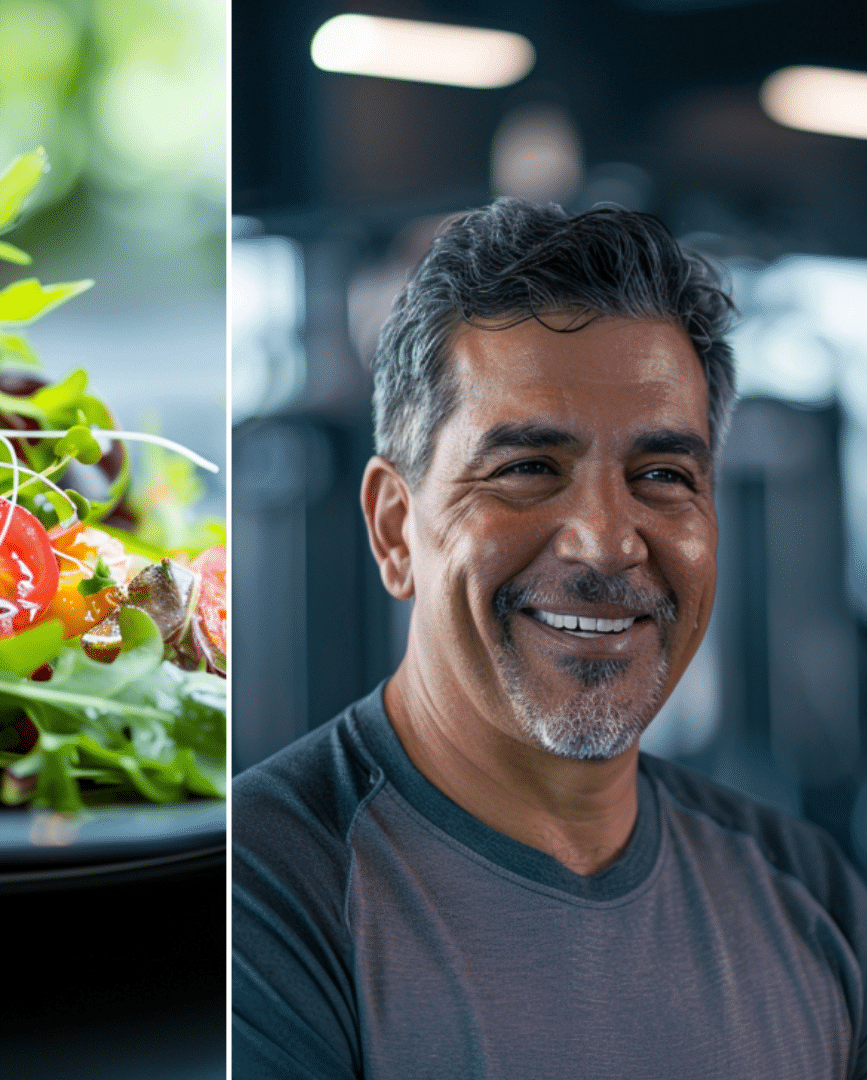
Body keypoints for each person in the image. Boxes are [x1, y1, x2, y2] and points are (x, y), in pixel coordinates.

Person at [233, 198, 867, 1077]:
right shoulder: (260, 899)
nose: (608, 540)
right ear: (392, 529)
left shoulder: (809, 889)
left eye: (662, 475)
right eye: (530, 469)